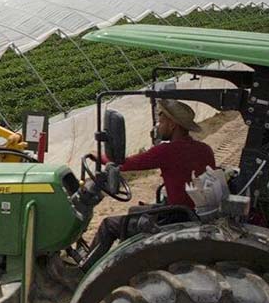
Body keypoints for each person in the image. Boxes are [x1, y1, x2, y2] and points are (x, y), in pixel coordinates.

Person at [86, 99, 216, 259]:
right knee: (134, 211)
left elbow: (127, 163)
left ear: (172, 124)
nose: (158, 126)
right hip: (194, 212)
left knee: (109, 225)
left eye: (161, 122)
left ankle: (83, 271)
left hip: (175, 215)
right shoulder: (205, 149)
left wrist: (99, 157)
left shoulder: (167, 151)